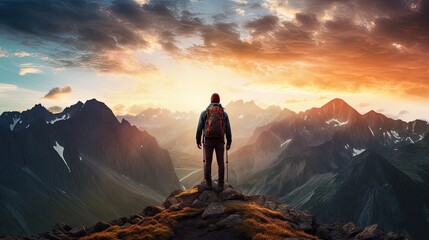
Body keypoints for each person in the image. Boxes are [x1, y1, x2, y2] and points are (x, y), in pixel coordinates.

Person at [196, 93, 232, 190]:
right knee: (221, 163)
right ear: (219, 101)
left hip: (208, 141)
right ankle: (221, 184)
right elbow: (228, 129)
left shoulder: (205, 113)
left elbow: (199, 127)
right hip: (220, 140)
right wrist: (229, 142)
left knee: (208, 162)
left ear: (211, 101)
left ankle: (208, 183)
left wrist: (198, 139)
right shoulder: (223, 114)